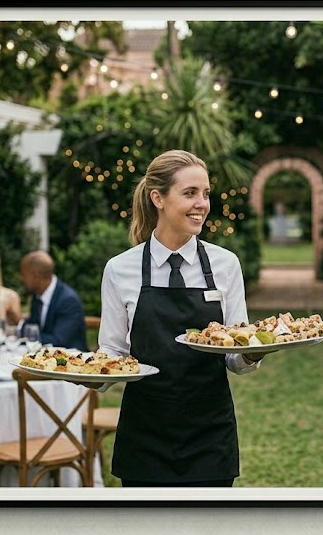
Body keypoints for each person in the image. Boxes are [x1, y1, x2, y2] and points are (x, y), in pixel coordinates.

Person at [98, 149, 264, 487]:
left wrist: (254, 351)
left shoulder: (225, 265)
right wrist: (87, 374)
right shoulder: (120, 270)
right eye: (190, 193)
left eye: (205, 193)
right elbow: (112, 354)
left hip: (209, 430)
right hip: (144, 433)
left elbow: (236, 355)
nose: (202, 203)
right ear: (157, 198)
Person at [18, 250, 87, 350]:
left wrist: (20, 328)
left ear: (36, 276)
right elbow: (34, 329)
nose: (21, 278)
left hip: (73, 360)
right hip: (44, 359)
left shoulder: (68, 300)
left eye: (23, 274)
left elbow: (58, 341)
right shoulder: (36, 296)